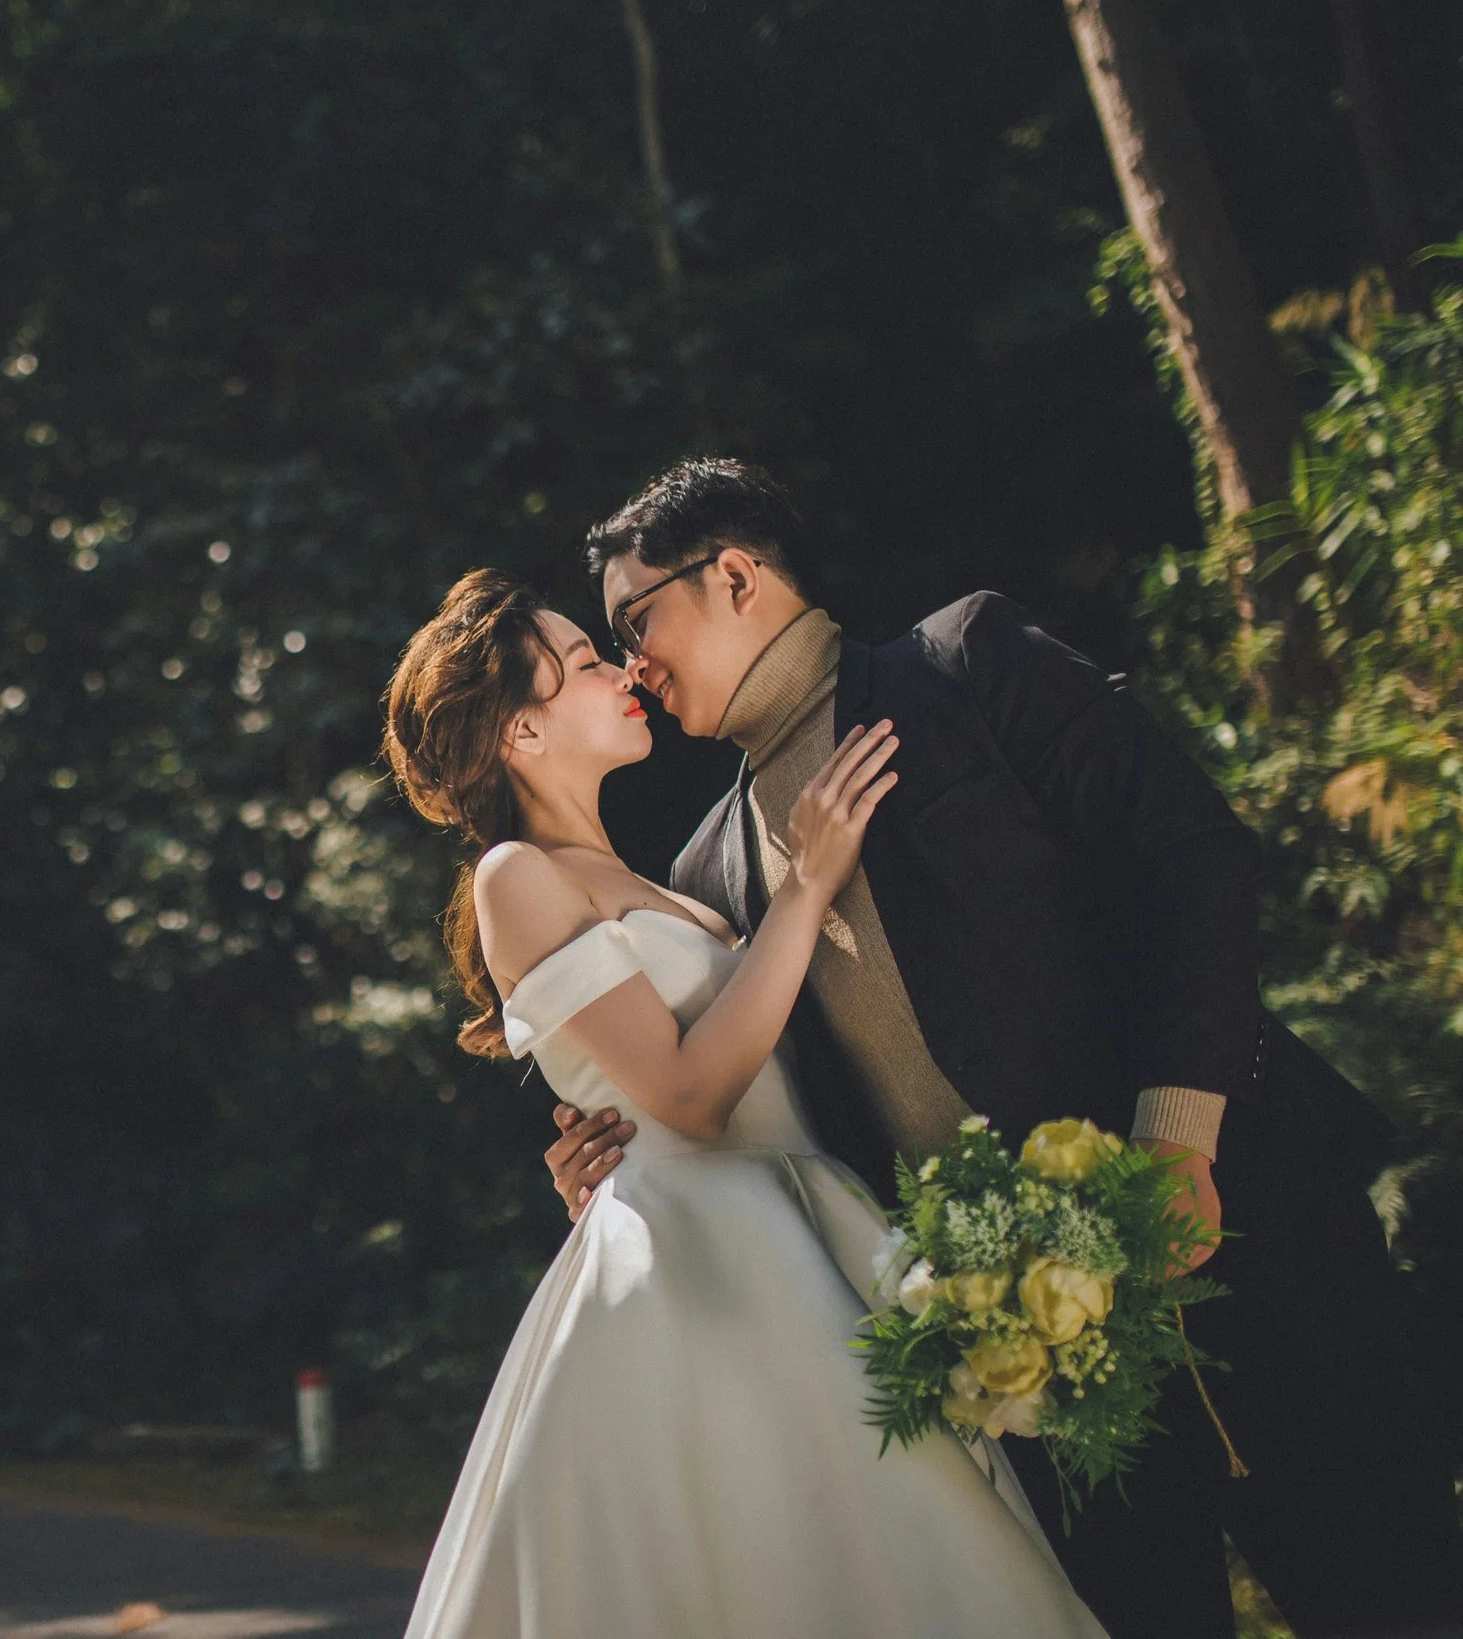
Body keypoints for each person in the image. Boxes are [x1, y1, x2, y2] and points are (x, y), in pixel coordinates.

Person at [541, 456, 1462, 1639]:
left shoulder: (962, 664)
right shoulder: (704, 878)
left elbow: (1193, 861)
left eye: (637, 618)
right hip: (1033, 1362)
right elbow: (731, 1108)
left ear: (733, 572)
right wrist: (613, 1167)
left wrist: (1176, 1132)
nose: (629, 663)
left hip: (1246, 1231)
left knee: (1389, 1591)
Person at [382, 568, 1109, 1639]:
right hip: (701, 1263)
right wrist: (808, 884)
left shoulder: (669, 882)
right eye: (583, 663)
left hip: (799, 1221)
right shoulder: (513, 875)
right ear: (520, 735)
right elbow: (690, 1095)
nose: (619, 668)